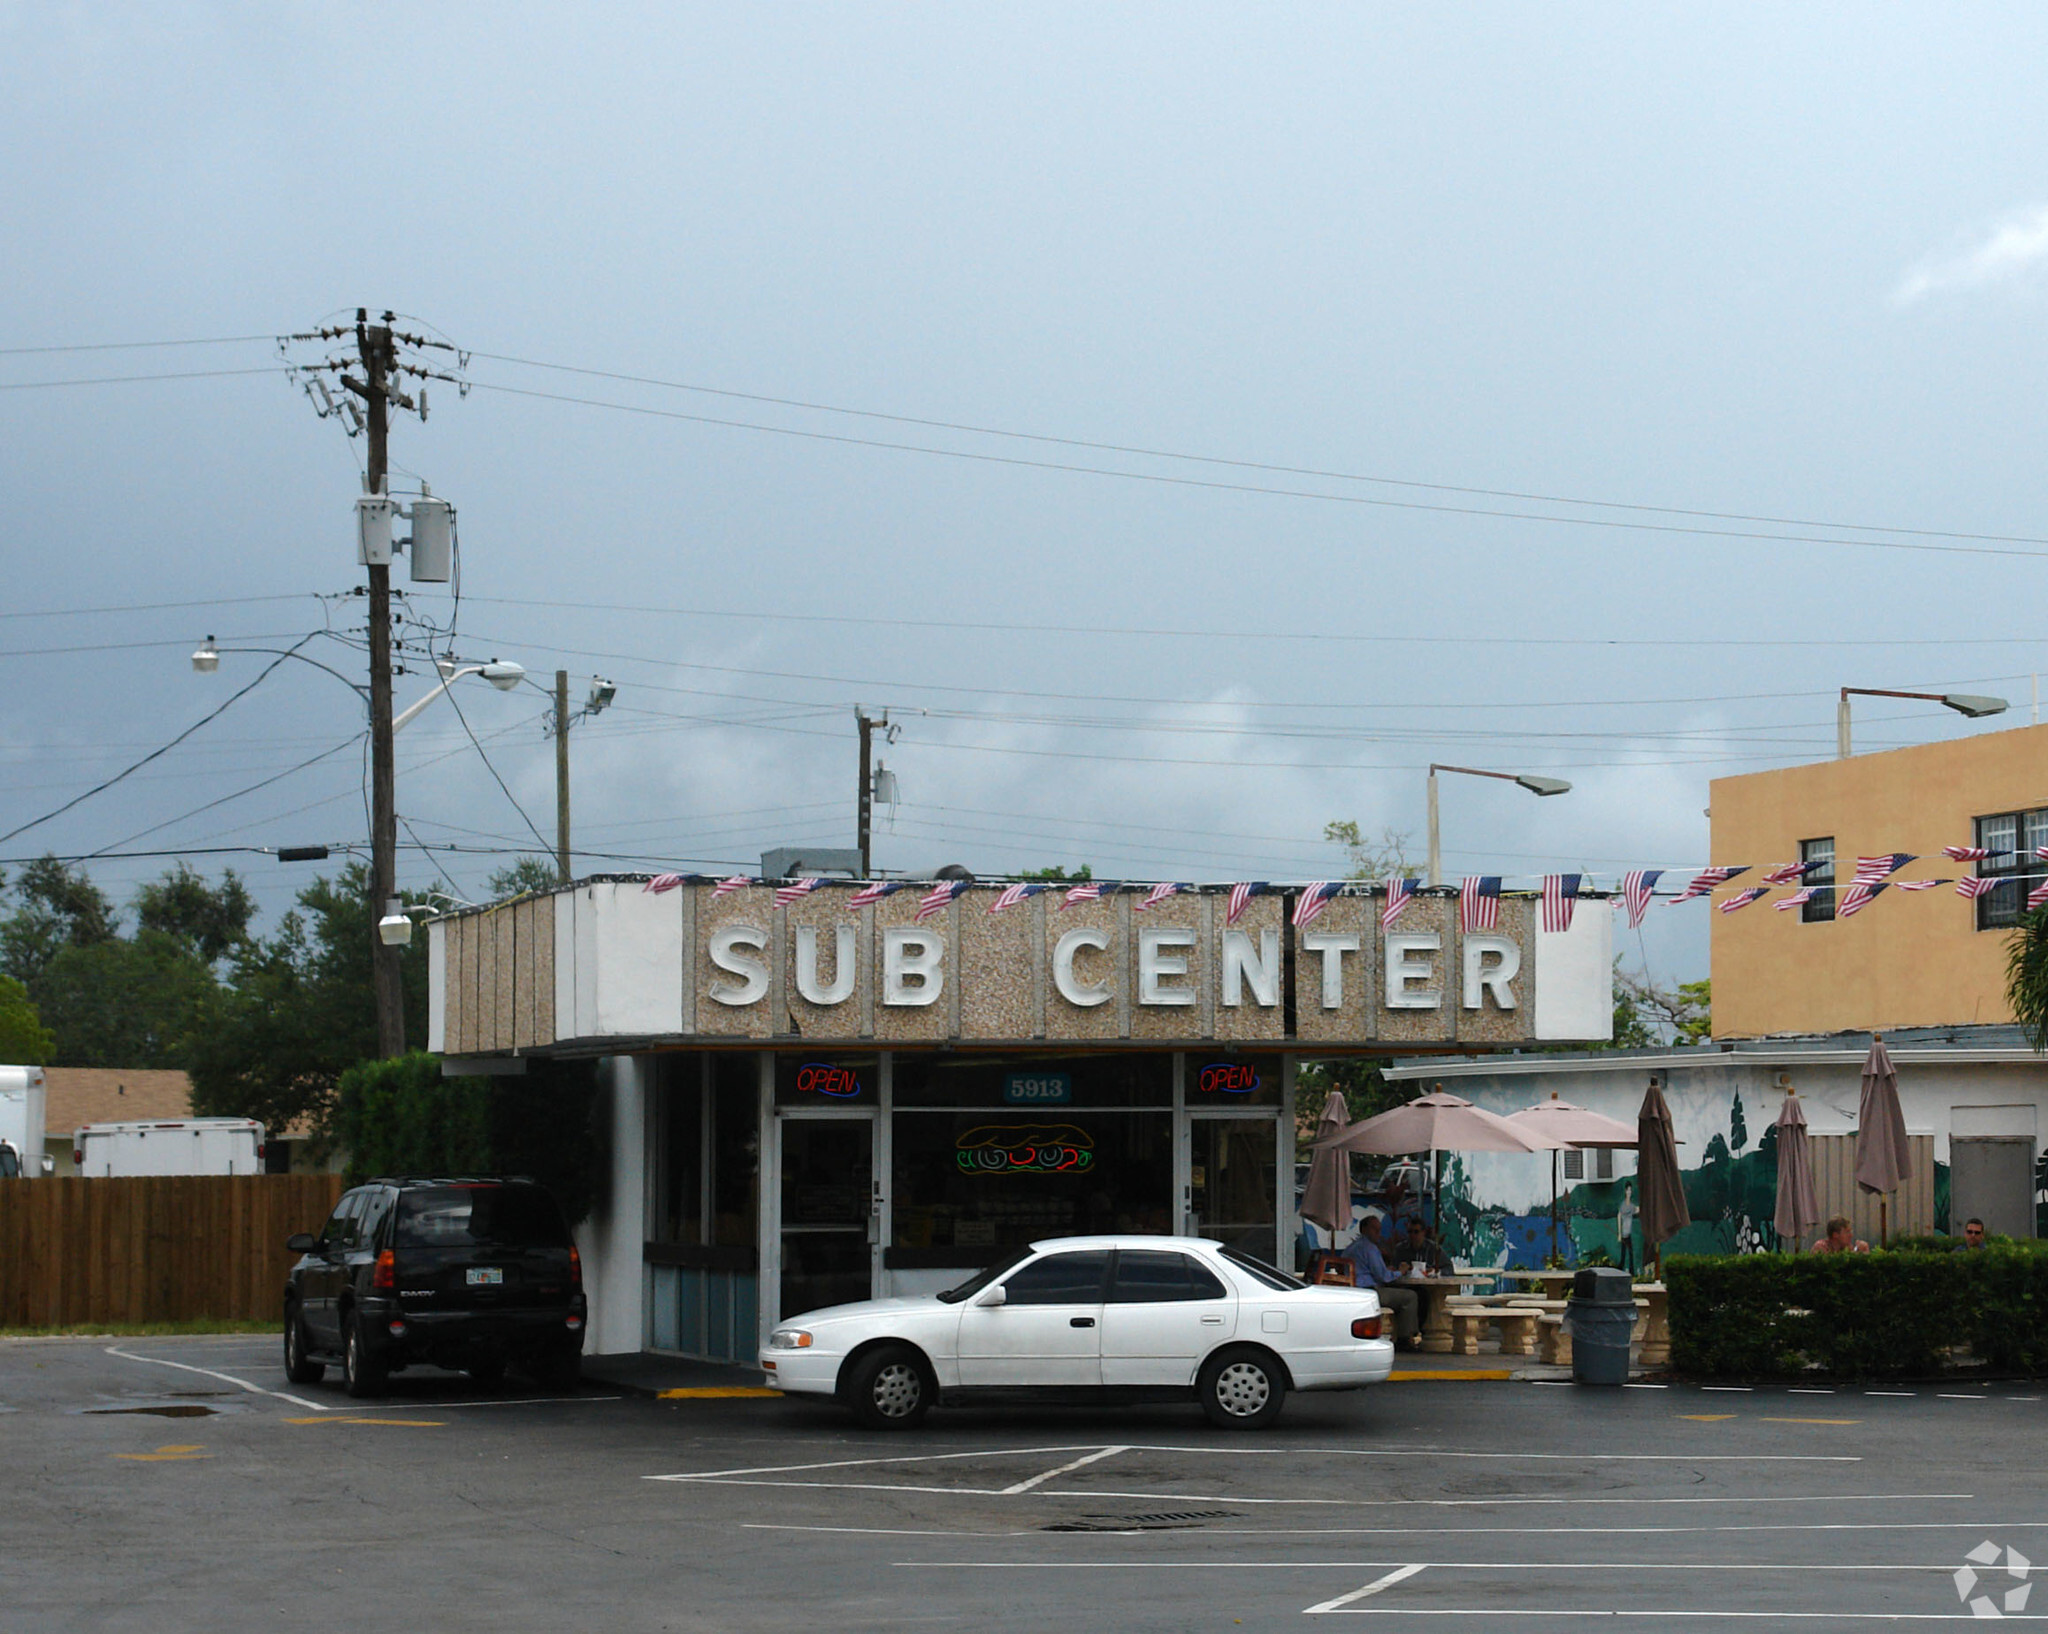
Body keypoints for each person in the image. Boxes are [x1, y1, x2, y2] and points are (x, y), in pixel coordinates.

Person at [1340, 1217, 1421, 1347]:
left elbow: (1370, 1270)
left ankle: (1401, 1334)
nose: (1378, 1232)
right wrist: (1400, 1271)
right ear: (1364, 1229)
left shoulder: (1351, 1247)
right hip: (1369, 1292)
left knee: (1401, 1295)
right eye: (1374, 1228)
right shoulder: (1370, 1248)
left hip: (1354, 1290)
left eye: (1379, 1229)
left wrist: (1387, 1270)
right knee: (1410, 1297)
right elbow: (1383, 1277)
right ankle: (1405, 1338)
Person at [1615, 1182, 1638, 1275]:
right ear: (1625, 1191)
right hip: (1624, 1233)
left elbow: (1637, 1209)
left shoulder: (1632, 1206)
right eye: (1628, 1190)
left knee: (1630, 1253)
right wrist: (1620, 1234)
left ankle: (1631, 1271)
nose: (1629, 1192)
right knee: (1624, 1253)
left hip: (1629, 1233)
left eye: (1630, 1190)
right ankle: (1621, 1270)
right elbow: (1619, 1216)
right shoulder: (1623, 1205)